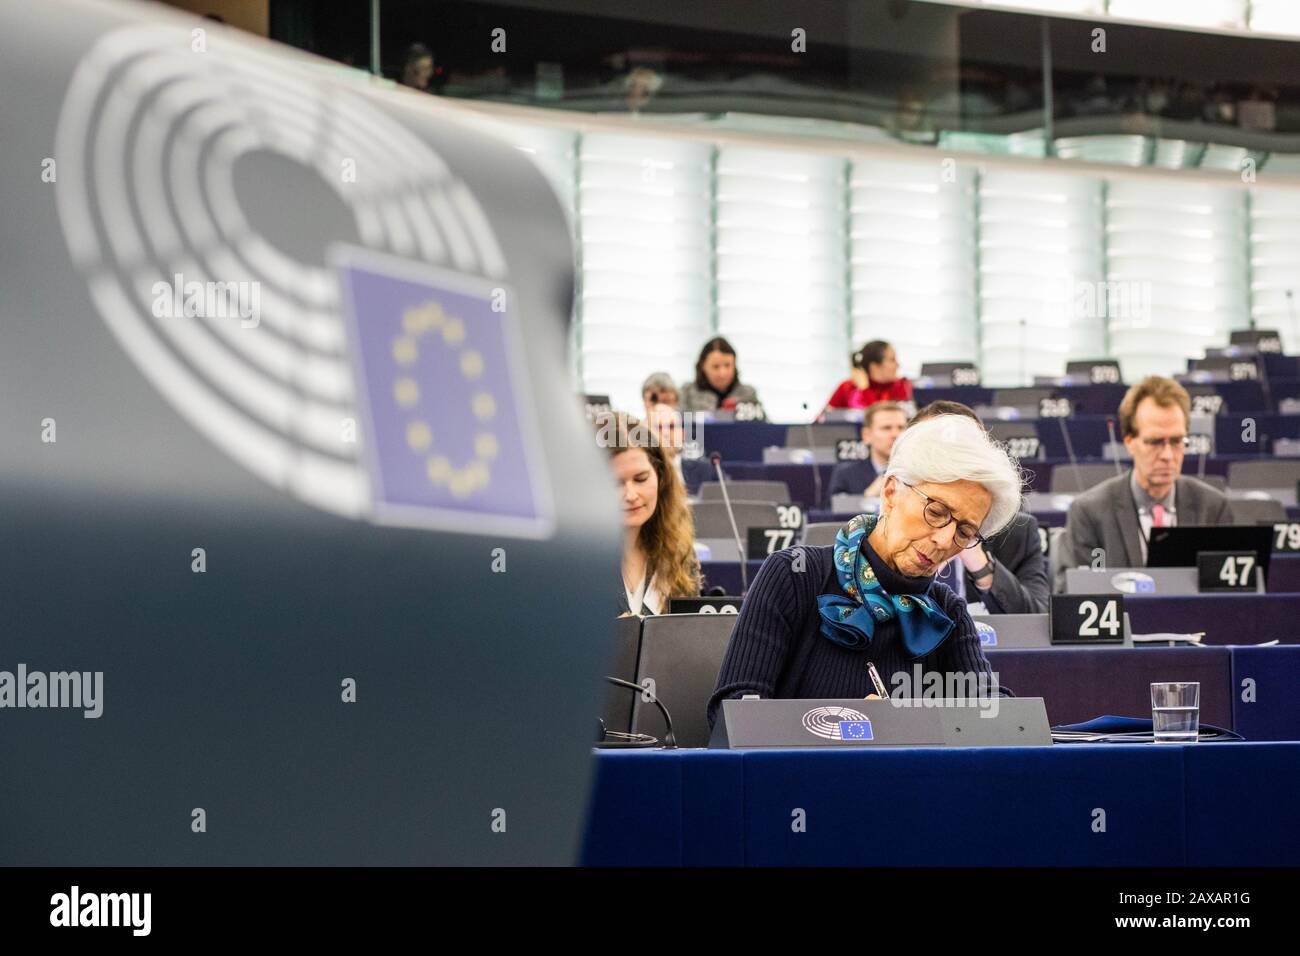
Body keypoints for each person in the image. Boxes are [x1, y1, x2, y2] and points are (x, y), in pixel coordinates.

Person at [707, 415, 1023, 727]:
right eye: (937, 512)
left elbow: (999, 718)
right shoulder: (793, 576)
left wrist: (913, 721)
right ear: (890, 493)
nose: (944, 540)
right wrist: (844, 727)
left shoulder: (947, 612)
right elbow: (733, 710)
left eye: (965, 532)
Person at [1053, 376, 1232, 592]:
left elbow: (1228, 594)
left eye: (1176, 442)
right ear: (1129, 441)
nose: (1167, 455)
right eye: (1155, 442)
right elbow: (1074, 594)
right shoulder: (1089, 513)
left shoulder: (1213, 508)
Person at [909, 401, 1049, 614]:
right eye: (934, 450)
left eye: (962, 451)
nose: (949, 464)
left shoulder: (1018, 532)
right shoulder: (886, 528)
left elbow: (1036, 622)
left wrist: (981, 566)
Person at [594, 412, 701, 616]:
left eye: (641, 479)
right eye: (615, 484)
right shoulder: (570, 558)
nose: (631, 495)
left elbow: (689, 640)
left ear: (660, 477)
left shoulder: (680, 554)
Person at [827, 401, 908, 503]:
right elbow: (831, 513)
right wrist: (866, 498)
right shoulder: (846, 474)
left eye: (901, 428)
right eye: (886, 428)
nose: (895, 434)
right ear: (867, 435)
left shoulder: (919, 473)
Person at [824, 340, 913, 412]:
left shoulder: (901, 386)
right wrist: (863, 389)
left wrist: (864, 390)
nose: (898, 365)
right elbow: (822, 421)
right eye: (892, 360)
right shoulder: (847, 387)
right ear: (874, 367)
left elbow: (882, 419)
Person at [679, 337, 762, 413]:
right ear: (703, 366)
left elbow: (763, 426)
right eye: (715, 367)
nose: (722, 373)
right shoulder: (687, 393)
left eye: (727, 365)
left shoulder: (748, 394)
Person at [646, 402, 713, 496]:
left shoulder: (707, 469)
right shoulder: (640, 474)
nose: (666, 434)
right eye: (659, 427)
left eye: (672, 427)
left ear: (682, 433)